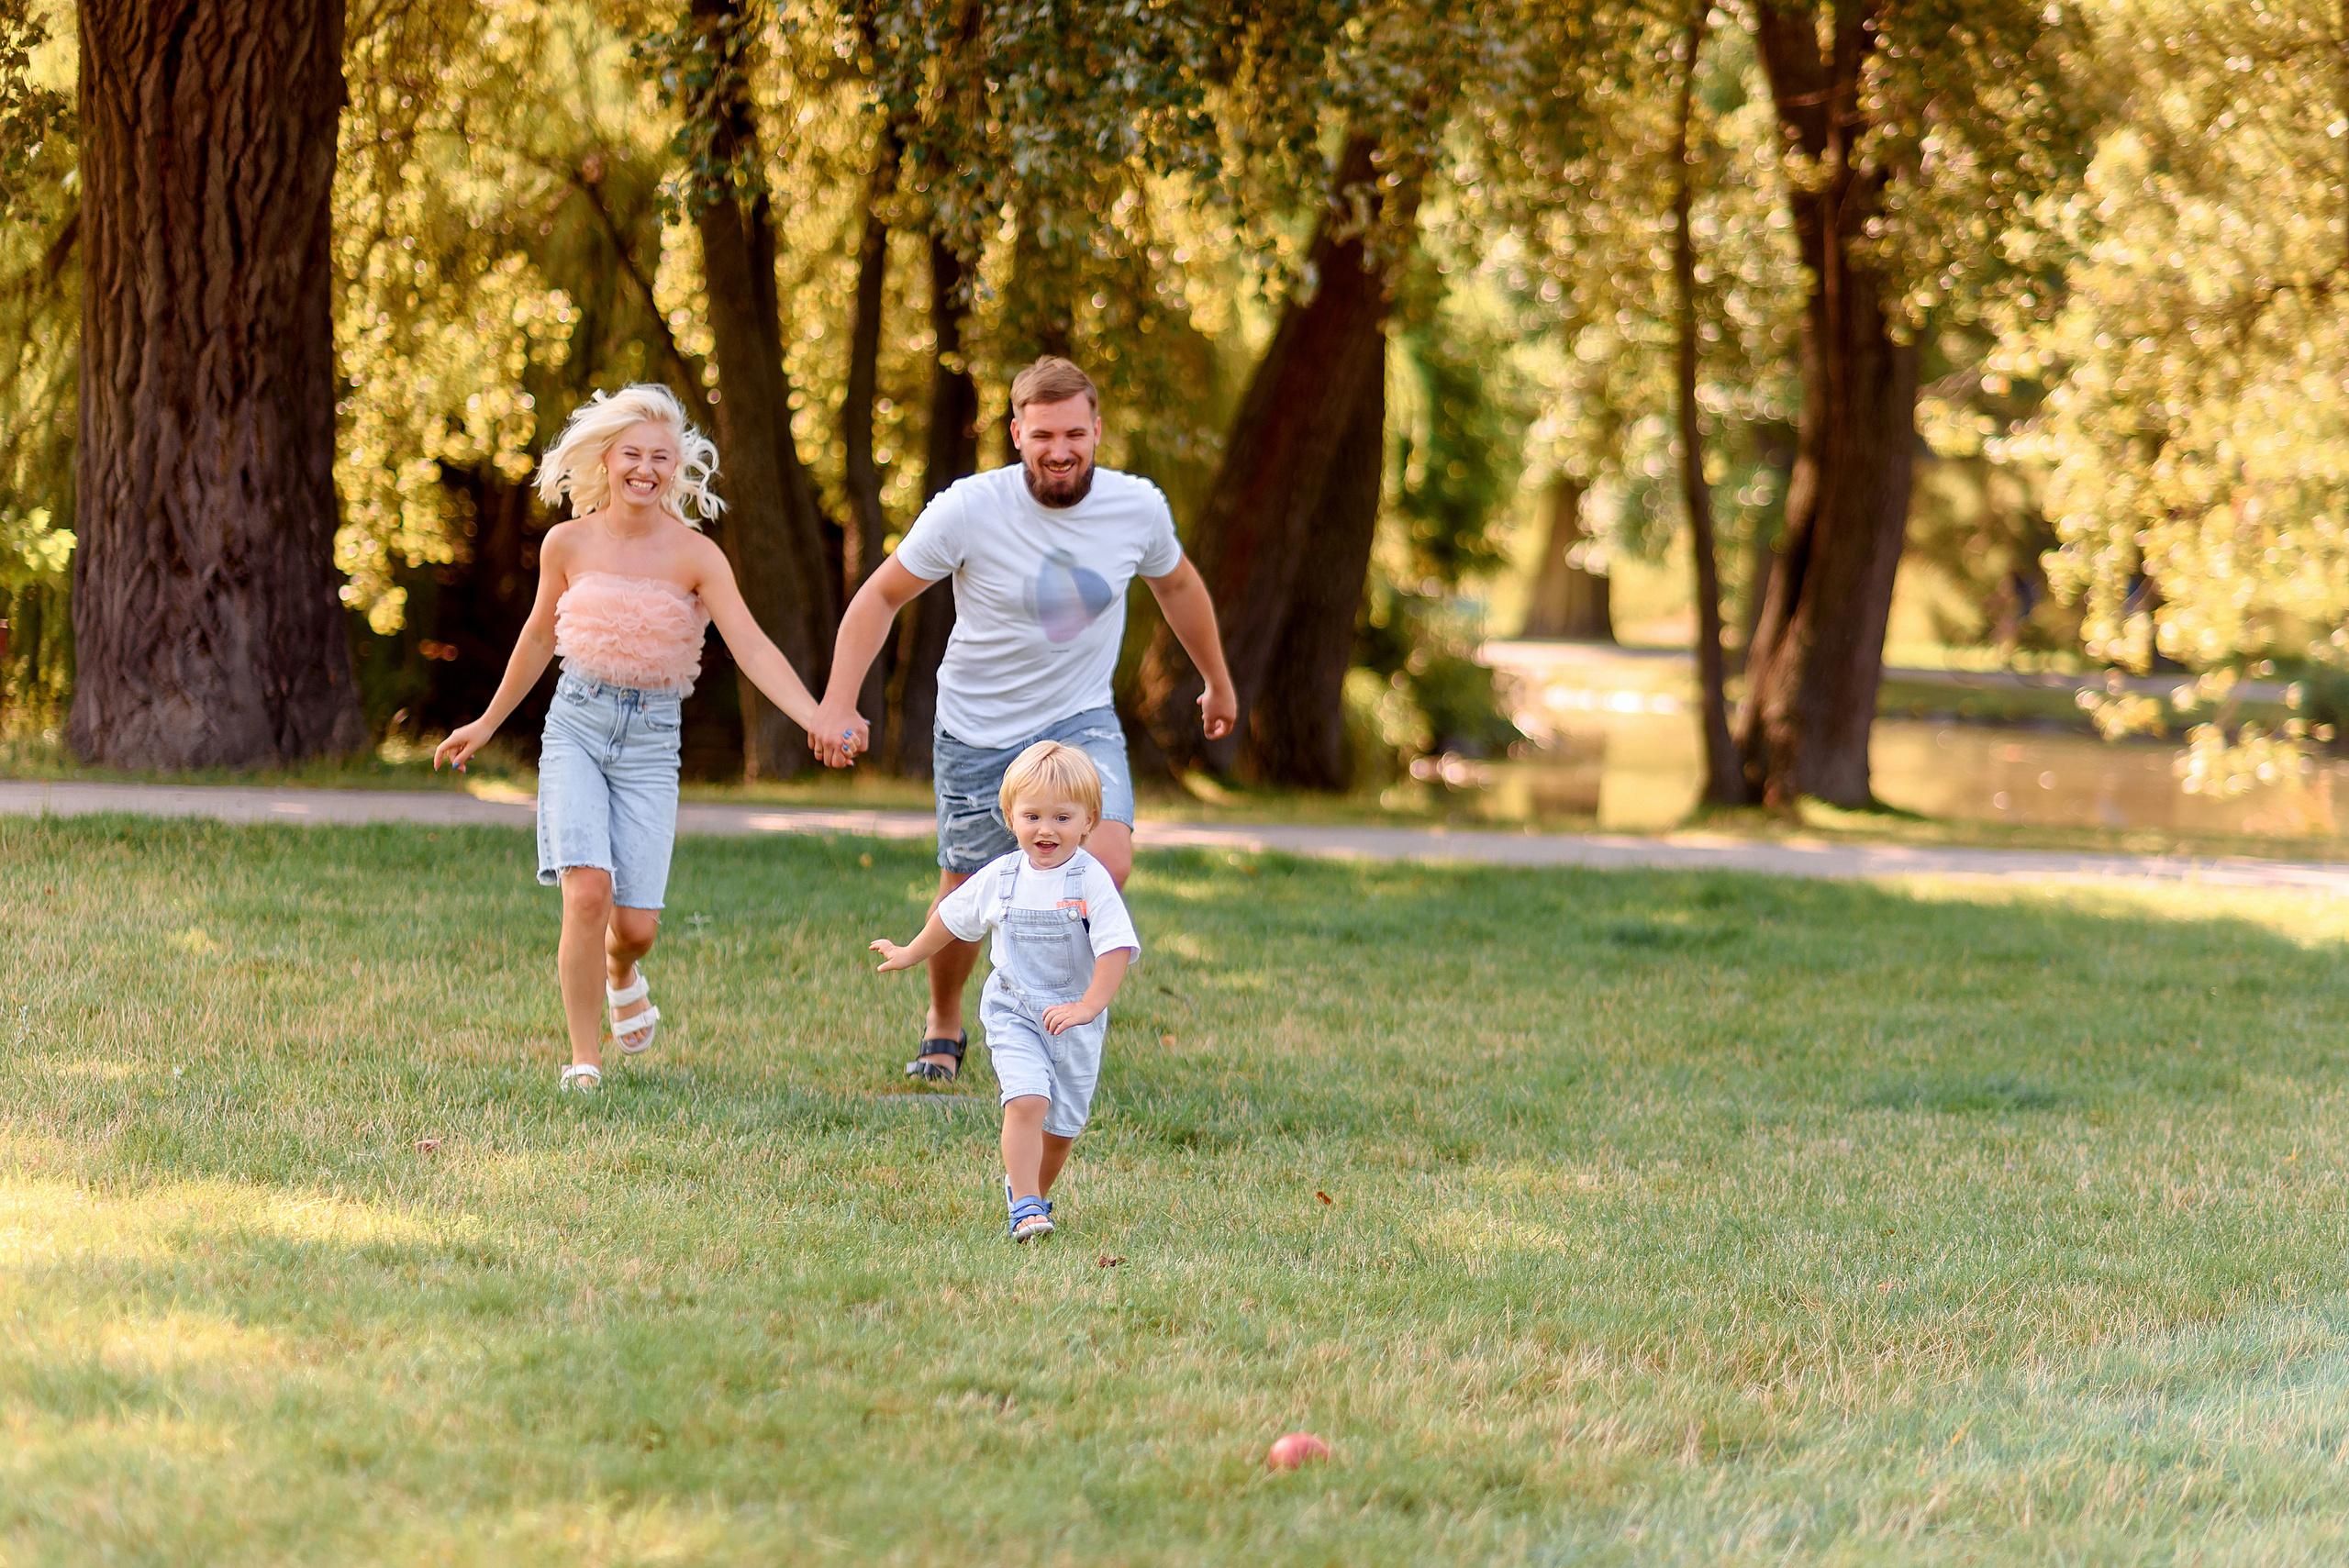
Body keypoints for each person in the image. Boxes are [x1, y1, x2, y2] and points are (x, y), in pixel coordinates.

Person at [809, 356, 1236, 1084]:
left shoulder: (1137, 507)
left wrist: (1218, 681)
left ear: (1098, 429)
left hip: (1081, 717)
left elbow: (1180, 584)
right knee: (964, 887)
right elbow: (881, 596)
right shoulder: (970, 508)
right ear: (1017, 433)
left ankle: (1047, 1009)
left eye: (1075, 432)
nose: (1061, 449)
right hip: (979, 728)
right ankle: (945, 1018)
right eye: (1043, 434)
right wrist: (839, 700)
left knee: (1108, 858)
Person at [433, 384, 829, 1092]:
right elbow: (535, 637)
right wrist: (486, 723)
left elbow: (754, 647)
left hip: (651, 740)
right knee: (588, 892)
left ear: (678, 467)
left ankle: (623, 968)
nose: (646, 468)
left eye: (662, 457)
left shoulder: (697, 556)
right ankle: (584, 1060)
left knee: (637, 925)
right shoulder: (568, 542)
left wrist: (815, 715)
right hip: (577, 727)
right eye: (632, 454)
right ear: (606, 459)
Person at [869, 741, 1137, 1240]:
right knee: (1027, 1099)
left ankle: (1029, 1191)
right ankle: (1027, 1206)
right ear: (1010, 817)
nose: (1046, 829)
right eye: (1032, 815)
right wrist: (911, 951)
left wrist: (1088, 1006)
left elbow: (1115, 949)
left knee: (1061, 1130)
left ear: (1088, 820)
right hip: (1014, 1010)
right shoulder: (1003, 876)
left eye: (1062, 816)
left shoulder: (1090, 882)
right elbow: (952, 915)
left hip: (1074, 1021)